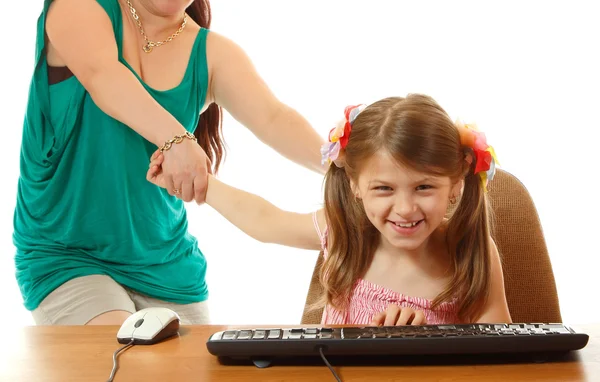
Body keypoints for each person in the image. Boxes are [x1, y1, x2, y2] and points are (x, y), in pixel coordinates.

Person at [13, 0, 324, 326]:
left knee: (191, 371)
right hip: (69, 254)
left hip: (166, 262)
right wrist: (178, 140)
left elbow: (274, 118)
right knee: (123, 362)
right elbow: (104, 75)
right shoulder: (79, 6)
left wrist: (343, 162)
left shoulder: (212, 53)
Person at [148, 94, 513, 325]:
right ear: (355, 185)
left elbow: (500, 359)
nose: (404, 208)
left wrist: (431, 344)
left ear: (455, 186)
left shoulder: (471, 253)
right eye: (383, 188)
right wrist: (199, 184)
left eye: (424, 187)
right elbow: (265, 221)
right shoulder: (345, 233)